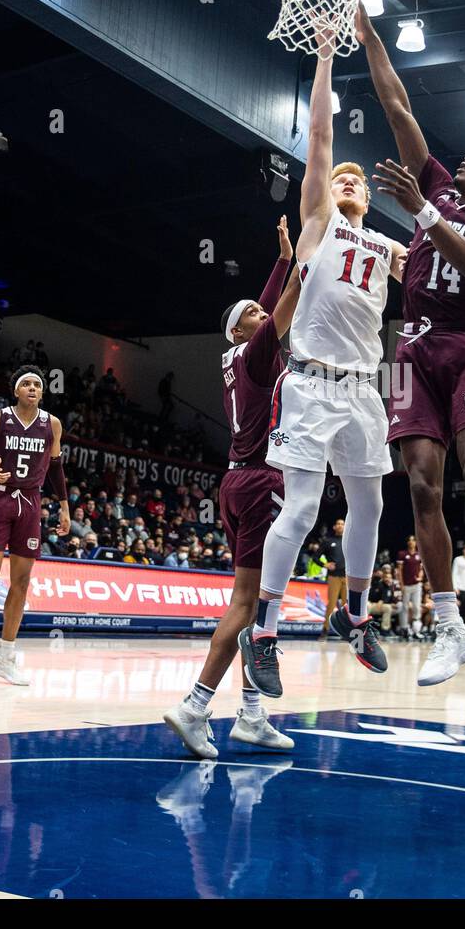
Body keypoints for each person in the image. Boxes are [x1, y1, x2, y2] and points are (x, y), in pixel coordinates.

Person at [358, 3, 465, 687]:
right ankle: (449, 626)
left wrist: (426, 216)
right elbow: (399, 107)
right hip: (412, 350)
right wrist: (371, 39)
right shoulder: (439, 188)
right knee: (423, 487)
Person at [246, 33, 407, 688]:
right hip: (310, 384)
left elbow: (442, 261)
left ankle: (357, 614)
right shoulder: (319, 222)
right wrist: (324, 56)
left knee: (369, 507)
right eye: (343, 176)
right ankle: (265, 630)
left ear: (369, 201)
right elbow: (319, 137)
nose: (348, 180)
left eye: (358, 182)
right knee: (303, 509)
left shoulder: (386, 245)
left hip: (364, 390)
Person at [165, 219, 304, 758]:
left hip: (235, 479)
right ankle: (195, 705)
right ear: (240, 332)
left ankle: (251, 715)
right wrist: (318, 248)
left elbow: (268, 305)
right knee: (248, 604)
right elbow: (284, 305)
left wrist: (282, 257)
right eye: (250, 313)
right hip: (262, 480)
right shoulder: (257, 353)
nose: (260, 313)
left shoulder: (236, 354)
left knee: (262, 604)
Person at [0, 365, 71, 685]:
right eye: (27, 384)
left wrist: (64, 507)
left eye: (38, 384)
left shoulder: (52, 424)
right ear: (16, 391)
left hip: (32, 502)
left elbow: (56, 468)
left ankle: (5, 658)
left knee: (21, 582)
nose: (33, 388)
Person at [320, 517, 347, 637]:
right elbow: (315, 557)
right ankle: (325, 631)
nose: (340, 525)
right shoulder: (328, 541)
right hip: (334, 577)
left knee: (347, 606)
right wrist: (325, 564)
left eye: (342, 524)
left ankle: (346, 632)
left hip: (347, 577)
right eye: (338, 524)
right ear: (335, 527)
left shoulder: (349, 541)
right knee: (331, 604)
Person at [395, 535, 424, 639]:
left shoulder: (419, 555)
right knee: (405, 607)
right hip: (406, 585)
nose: (412, 542)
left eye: (413, 540)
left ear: (416, 542)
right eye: (410, 540)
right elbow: (399, 571)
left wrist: (420, 576)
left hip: (416, 585)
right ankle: (404, 628)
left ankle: (416, 630)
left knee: (416, 606)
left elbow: (421, 568)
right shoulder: (402, 554)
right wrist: (401, 585)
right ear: (407, 543)